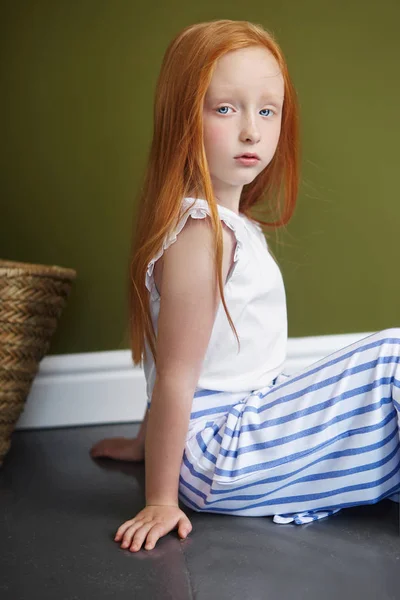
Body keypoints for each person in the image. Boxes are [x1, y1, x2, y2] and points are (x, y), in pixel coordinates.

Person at [90, 19, 400, 552]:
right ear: (182, 118)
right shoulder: (201, 236)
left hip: (232, 427)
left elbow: (184, 359)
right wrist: (162, 496)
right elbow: (177, 375)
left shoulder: (223, 226)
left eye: (267, 110)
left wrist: (143, 445)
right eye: (226, 109)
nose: (252, 130)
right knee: (393, 355)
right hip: (218, 450)